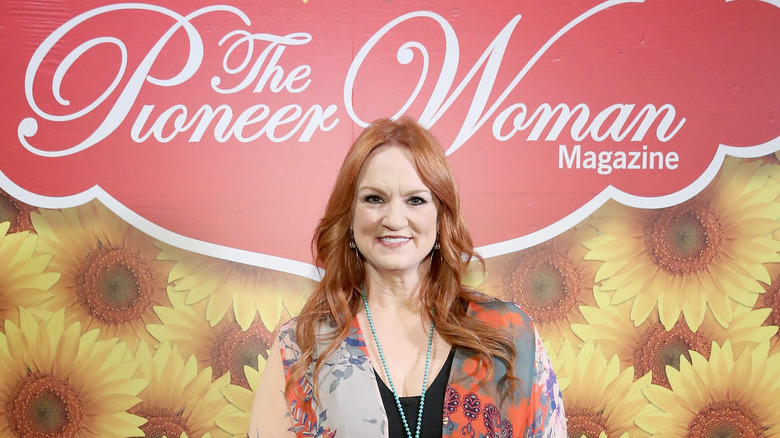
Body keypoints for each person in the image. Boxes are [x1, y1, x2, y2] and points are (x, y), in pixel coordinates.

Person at [249, 117, 566, 437]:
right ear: (349, 216)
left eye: (415, 200)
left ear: (442, 216)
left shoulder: (509, 336)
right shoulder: (300, 346)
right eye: (374, 199)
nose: (394, 219)